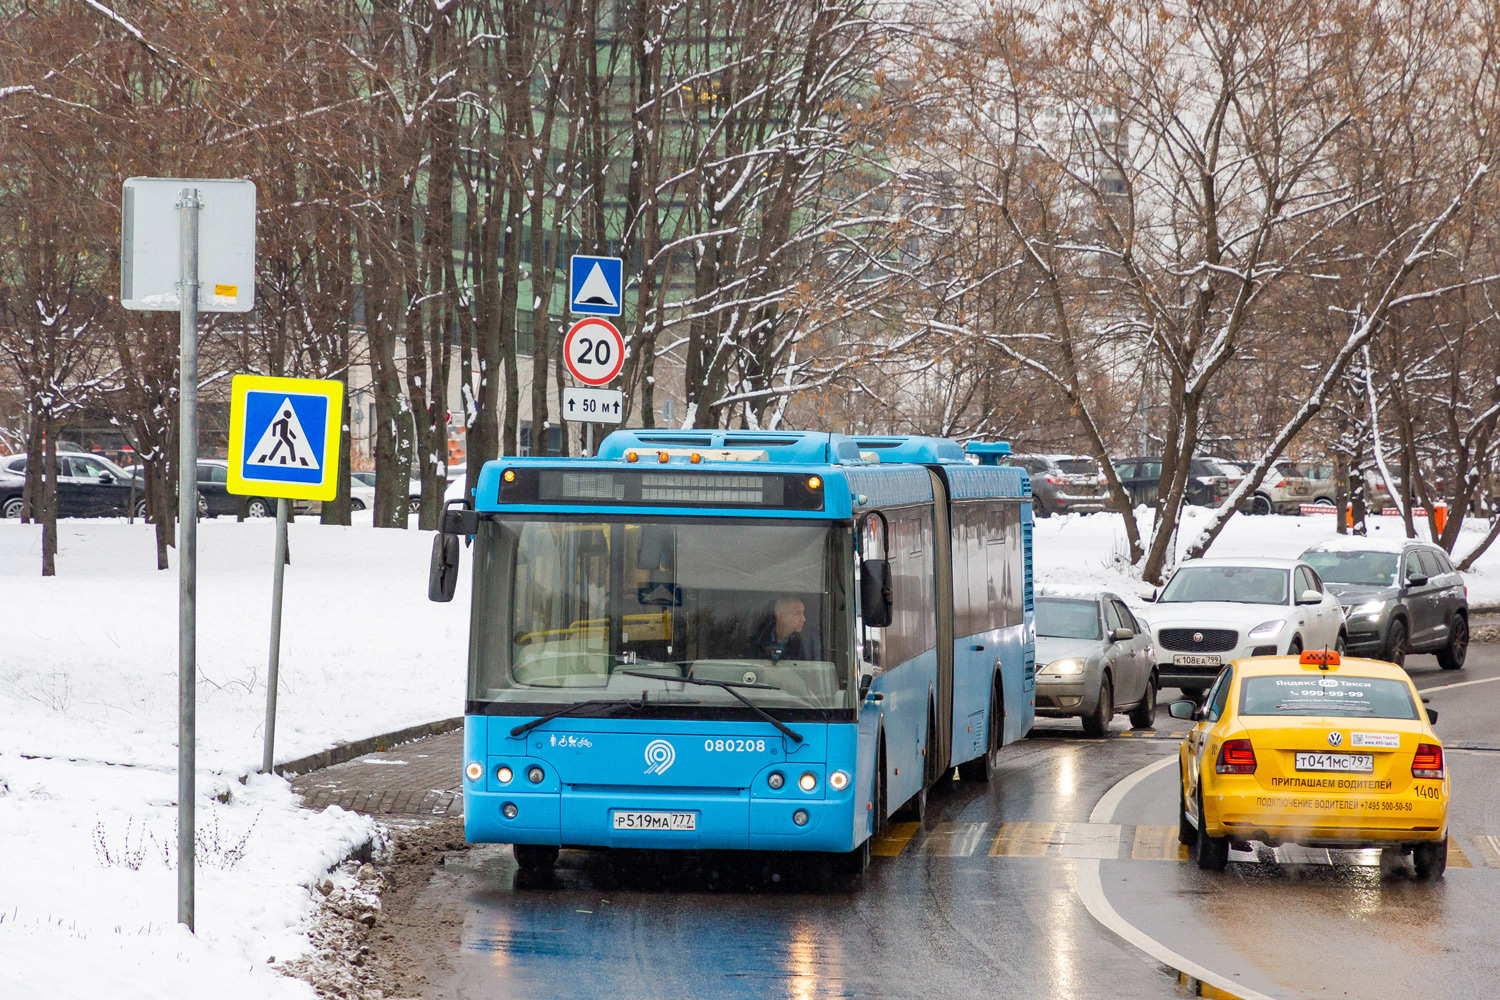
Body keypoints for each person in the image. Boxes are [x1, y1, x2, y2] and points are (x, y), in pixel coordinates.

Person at [754, 597, 819, 661]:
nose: (803, 619)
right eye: (797, 613)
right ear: (780, 616)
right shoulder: (755, 642)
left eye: (802, 613)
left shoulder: (808, 643)